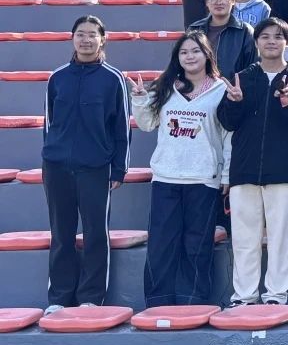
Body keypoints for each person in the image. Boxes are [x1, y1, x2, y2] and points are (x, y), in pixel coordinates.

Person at [216, 17, 288, 306]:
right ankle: (244, 295)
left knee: (281, 237)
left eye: (278, 36)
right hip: (244, 169)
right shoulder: (242, 77)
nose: (271, 41)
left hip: (284, 170)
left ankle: (276, 294)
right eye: (265, 36)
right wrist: (234, 102)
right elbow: (227, 122)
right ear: (256, 42)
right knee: (244, 238)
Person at [128, 32, 230, 307]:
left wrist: (226, 174)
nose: (189, 56)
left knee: (197, 245)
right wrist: (139, 99)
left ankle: (194, 300)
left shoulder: (221, 90)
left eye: (195, 51)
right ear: (177, 58)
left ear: (207, 54)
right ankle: (158, 300)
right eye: (184, 52)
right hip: (166, 177)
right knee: (161, 244)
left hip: (204, 178)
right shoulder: (164, 87)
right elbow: (147, 124)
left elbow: (227, 136)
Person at [41, 16, 131, 315]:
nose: (86, 40)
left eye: (92, 35)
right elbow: (49, 124)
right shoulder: (57, 78)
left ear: (102, 39)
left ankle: (91, 297)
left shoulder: (113, 79)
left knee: (95, 233)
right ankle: (59, 297)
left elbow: (121, 128)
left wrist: (119, 169)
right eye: (81, 34)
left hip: (96, 168)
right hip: (57, 168)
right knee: (61, 233)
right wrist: (49, 157)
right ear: (72, 38)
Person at [190, 0, 258, 79]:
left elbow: (253, 68)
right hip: (200, 86)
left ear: (233, 1)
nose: (219, 2)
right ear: (207, 2)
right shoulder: (194, 29)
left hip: (234, 87)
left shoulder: (245, 31)